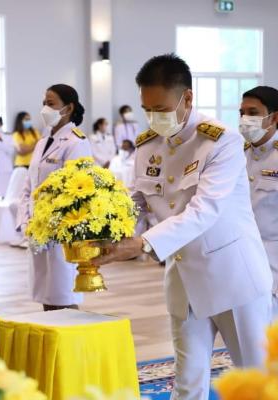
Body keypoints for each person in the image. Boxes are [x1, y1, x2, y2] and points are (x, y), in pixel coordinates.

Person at [92, 54, 272, 399]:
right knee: (187, 382)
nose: (154, 117)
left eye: (161, 108)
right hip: (183, 279)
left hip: (233, 277)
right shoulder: (148, 145)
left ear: (187, 98)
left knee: (256, 382)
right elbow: (136, 200)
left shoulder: (221, 141)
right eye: (147, 109)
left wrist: (142, 243)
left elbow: (204, 211)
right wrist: (101, 224)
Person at [17, 84, 92, 311]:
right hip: (38, 231)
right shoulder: (43, 141)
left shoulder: (76, 142)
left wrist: (46, 226)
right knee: (46, 297)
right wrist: (26, 223)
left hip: (61, 233)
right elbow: (29, 187)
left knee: (64, 297)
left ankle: (72, 335)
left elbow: (75, 194)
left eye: (50, 104)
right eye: (44, 103)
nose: (45, 109)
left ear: (68, 108)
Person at [239, 86, 278, 319]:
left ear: (274, 118)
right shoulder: (236, 154)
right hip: (241, 264)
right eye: (242, 113)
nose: (245, 119)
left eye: (253, 113)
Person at [7, 112, 41, 247]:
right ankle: (20, 234)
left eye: (29, 118)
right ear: (20, 121)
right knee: (17, 202)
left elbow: (41, 148)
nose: (28, 121)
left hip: (34, 168)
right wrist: (35, 144)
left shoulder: (35, 132)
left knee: (31, 202)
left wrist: (32, 145)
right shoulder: (16, 134)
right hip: (21, 169)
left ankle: (28, 235)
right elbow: (21, 150)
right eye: (26, 119)